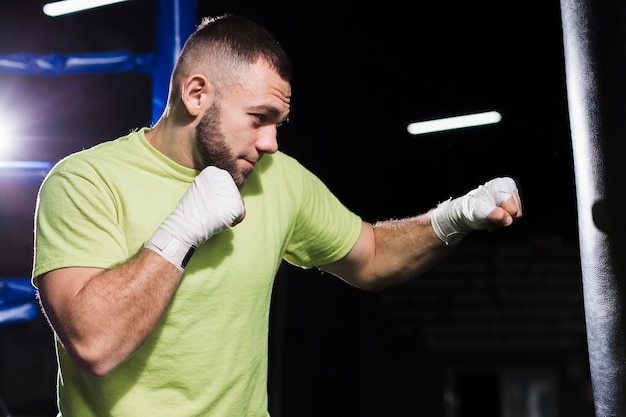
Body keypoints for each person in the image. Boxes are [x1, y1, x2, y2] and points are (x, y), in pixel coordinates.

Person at [31, 13, 523, 417]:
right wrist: (179, 232)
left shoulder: (276, 177)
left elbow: (371, 256)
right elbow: (94, 344)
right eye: (258, 119)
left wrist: (452, 218)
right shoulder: (85, 181)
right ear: (196, 95)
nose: (270, 142)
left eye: (279, 123)